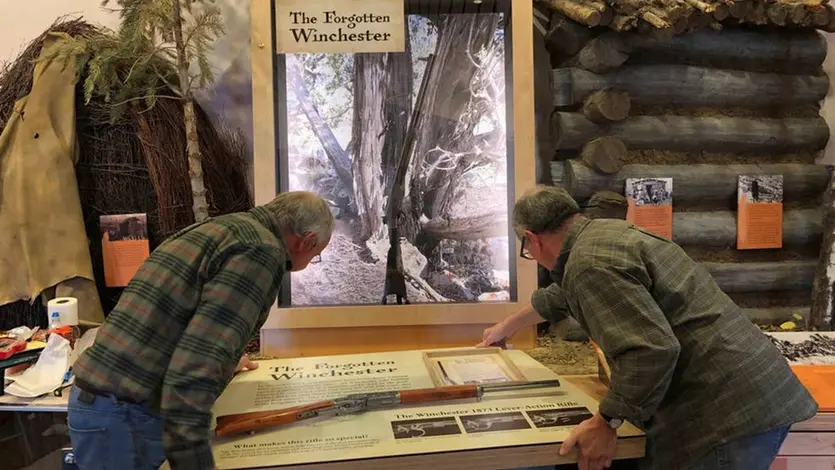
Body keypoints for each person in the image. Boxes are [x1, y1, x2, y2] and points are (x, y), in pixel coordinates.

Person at [477, 186, 817, 470]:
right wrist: (506, 327)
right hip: (753, 390)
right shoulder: (601, 238)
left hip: (728, 414)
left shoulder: (587, 264)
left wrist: (605, 424)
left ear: (531, 240)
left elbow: (650, 351)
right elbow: (560, 294)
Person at [67, 191, 335, 470]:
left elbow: (180, 318)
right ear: (307, 241)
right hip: (126, 417)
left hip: (102, 404)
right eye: (316, 255)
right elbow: (193, 369)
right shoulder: (262, 252)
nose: (311, 259)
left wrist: (227, 360)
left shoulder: (224, 229)